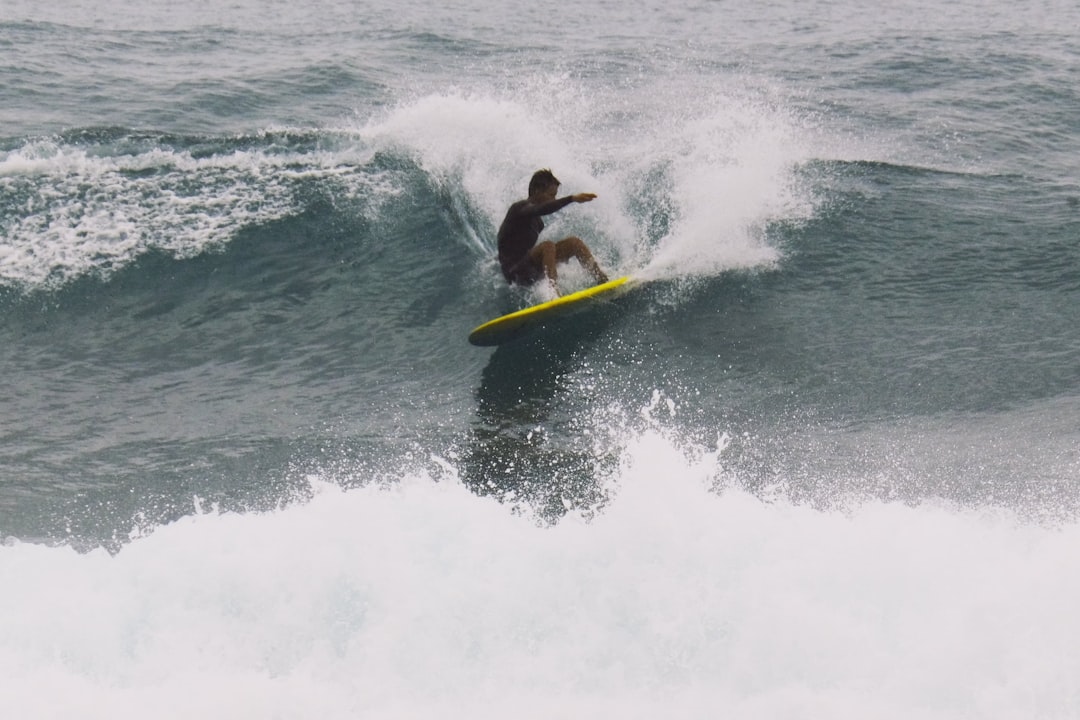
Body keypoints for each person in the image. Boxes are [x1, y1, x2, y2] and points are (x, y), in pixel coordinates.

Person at [497, 169, 609, 294]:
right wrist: (571, 199)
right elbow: (541, 209)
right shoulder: (518, 208)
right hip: (514, 274)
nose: (553, 199)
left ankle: (602, 280)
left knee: (574, 243)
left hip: (530, 270)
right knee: (547, 246)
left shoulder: (539, 223)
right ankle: (553, 293)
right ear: (537, 191)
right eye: (551, 195)